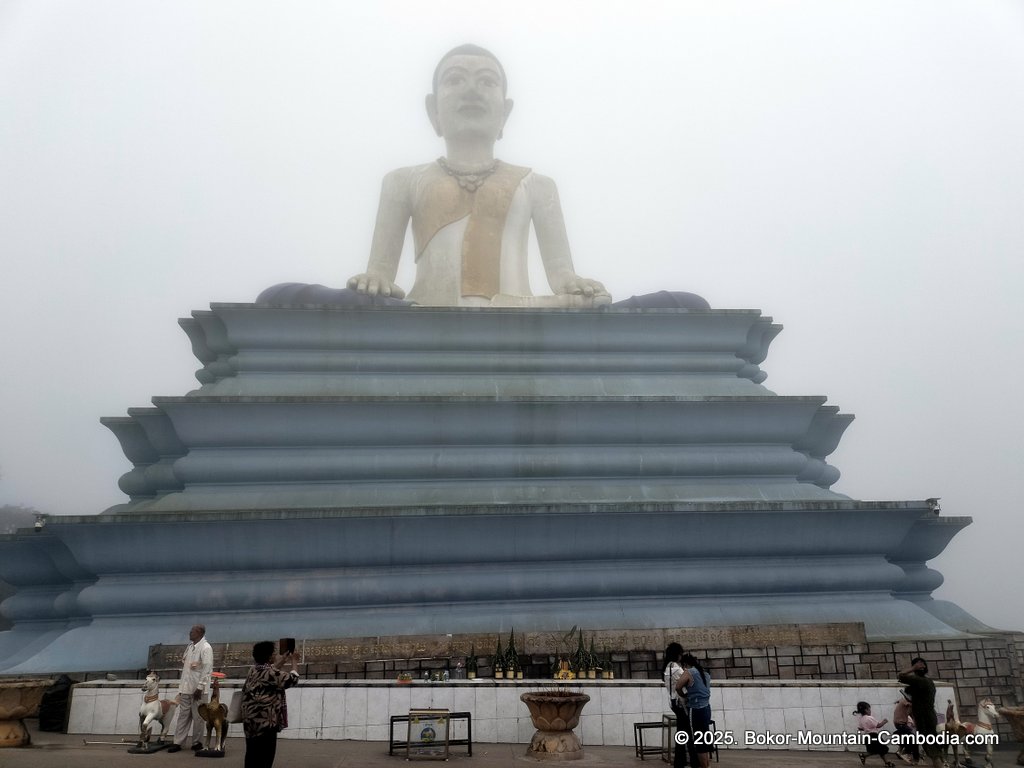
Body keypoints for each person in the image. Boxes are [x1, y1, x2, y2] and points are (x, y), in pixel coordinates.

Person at [348, 43, 609, 308]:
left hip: (513, 316)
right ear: (433, 109)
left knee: (590, 304)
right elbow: (380, 273)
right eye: (455, 80)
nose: (471, 90)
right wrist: (375, 278)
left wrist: (572, 283)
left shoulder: (538, 186)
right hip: (427, 318)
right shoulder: (402, 182)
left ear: (505, 112)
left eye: (487, 81)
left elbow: (562, 276)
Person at [241, 641, 299, 768]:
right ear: (269, 657)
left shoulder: (253, 670)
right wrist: (294, 661)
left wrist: (283, 660)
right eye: (274, 653)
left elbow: (271, 671)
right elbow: (292, 680)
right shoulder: (270, 674)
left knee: (251, 754)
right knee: (265, 758)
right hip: (266, 723)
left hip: (250, 721)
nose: (275, 655)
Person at [168, 623, 213, 752]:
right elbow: (187, 670)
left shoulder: (206, 647)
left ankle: (197, 742)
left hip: (198, 690)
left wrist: (200, 687)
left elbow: (207, 669)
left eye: (193, 631)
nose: (190, 633)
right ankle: (178, 742)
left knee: (198, 717)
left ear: (200, 633)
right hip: (186, 688)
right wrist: (181, 689)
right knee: (183, 715)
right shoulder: (190, 647)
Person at [897, 657, 943, 768]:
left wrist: (913, 668)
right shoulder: (928, 681)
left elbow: (901, 676)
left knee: (928, 742)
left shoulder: (919, 680)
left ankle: (938, 763)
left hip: (923, 715)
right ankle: (939, 761)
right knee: (931, 740)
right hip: (929, 714)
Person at [677, 653, 713, 768]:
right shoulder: (705, 673)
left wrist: (684, 695)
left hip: (696, 709)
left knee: (698, 742)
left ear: (685, 664)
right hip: (706, 708)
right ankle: (707, 765)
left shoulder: (689, 672)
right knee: (704, 739)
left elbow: (678, 687)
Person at [663, 642, 693, 767]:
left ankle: (680, 760)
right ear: (677, 654)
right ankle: (690, 759)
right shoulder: (675, 668)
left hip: (673, 702)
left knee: (682, 730)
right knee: (687, 731)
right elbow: (689, 680)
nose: (681, 656)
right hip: (681, 703)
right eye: (680, 653)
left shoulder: (668, 667)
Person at [853, 701, 895, 767]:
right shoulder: (869, 718)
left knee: (876, 750)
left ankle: (886, 762)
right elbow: (878, 725)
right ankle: (864, 755)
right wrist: (884, 721)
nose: (870, 711)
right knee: (882, 749)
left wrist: (866, 728)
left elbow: (860, 728)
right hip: (874, 736)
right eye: (869, 709)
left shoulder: (861, 719)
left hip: (867, 737)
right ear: (866, 710)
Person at [892, 689, 919, 764]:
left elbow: (912, 715)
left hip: (902, 724)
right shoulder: (904, 701)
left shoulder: (908, 704)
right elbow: (908, 704)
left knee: (911, 739)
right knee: (913, 740)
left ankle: (905, 752)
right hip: (900, 724)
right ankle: (909, 755)